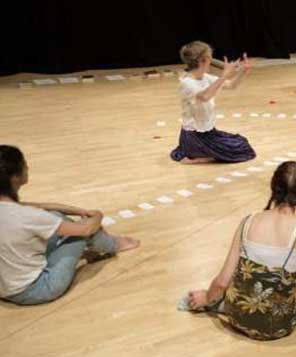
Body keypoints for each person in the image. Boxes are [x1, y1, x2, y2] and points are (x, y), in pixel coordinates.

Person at [184, 161, 296, 349]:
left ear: (273, 186)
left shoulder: (248, 220)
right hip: (278, 326)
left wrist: (207, 298)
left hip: (236, 317)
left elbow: (222, 281)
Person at [0, 145, 139, 305]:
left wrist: (79, 211)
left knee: (56, 216)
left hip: (5, 286)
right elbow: (86, 229)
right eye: (24, 164)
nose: (28, 167)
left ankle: (95, 250)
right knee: (80, 235)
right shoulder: (29, 216)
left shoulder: (12, 208)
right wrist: (97, 215)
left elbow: (41, 206)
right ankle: (115, 244)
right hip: (37, 289)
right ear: (15, 177)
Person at [170, 41, 256, 164]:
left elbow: (231, 85)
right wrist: (224, 76)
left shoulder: (206, 77)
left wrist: (244, 71)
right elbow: (205, 96)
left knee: (241, 143)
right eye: (209, 58)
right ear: (202, 61)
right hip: (194, 136)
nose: (211, 61)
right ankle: (197, 156)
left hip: (208, 132)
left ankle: (205, 155)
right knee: (239, 150)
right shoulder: (186, 83)